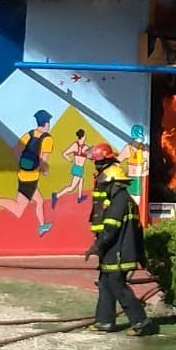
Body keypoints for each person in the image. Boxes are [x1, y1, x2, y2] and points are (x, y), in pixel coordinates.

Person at [83, 157, 152, 336]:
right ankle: (105, 321)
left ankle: (140, 320)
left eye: (106, 186)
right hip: (115, 253)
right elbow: (137, 231)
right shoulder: (126, 201)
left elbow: (110, 230)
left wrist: (96, 246)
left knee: (116, 286)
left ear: (115, 184)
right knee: (105, 284)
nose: (104, 189)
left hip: (118, 253)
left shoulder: (119, 202)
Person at [0, 109, 54, 237]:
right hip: (31, 178)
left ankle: (42, 226)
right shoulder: (47, 139)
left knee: (39, 201)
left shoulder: (29, 134)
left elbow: (15, 150)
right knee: (19, 209)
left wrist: (23, 164)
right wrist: (43, 170)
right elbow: (44, 159)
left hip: (23, 174)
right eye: (49, 122)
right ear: (46, 123)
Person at [52, 129, 90, 209]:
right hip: (79, 168)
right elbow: (91, 156)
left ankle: (79, 197)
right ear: (83, 137)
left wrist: (70, 159)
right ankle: (57, 195)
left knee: (81, 180)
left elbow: (65, 153)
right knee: (71, 187)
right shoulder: (86, 147)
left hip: (76, 167)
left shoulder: (75, 145)